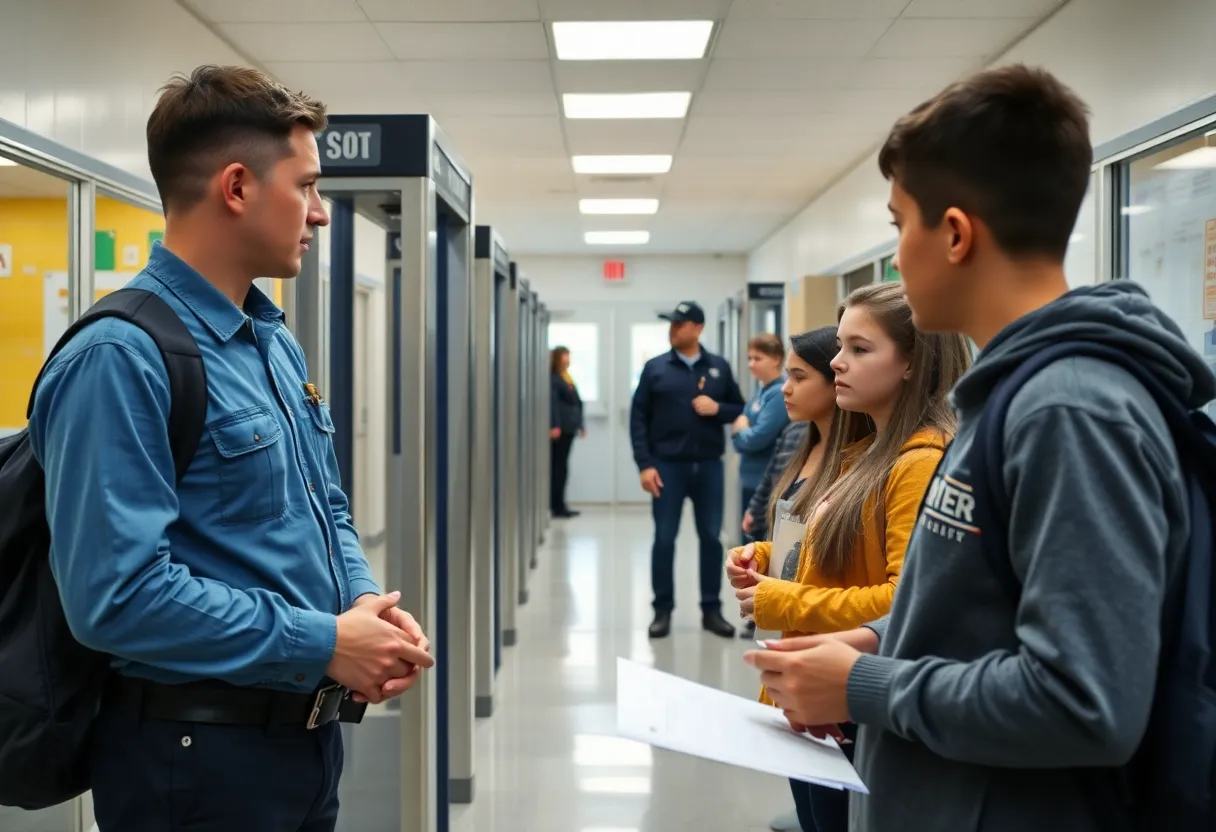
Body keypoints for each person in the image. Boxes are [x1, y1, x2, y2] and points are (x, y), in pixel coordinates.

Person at [745, 65, 1216, 832]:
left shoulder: (1070, 411)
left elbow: (1082, 700)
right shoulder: (1007, 402)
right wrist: (858, 652)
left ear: (956, 234)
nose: (896, 256)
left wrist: (866, 685)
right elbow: (976, 620)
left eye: (900, 226)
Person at [27, 65, 434, 831]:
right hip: (194, 764)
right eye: (307, 187)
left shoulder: (268, 342)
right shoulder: (120, 358)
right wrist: (324, 643)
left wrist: (359, 610)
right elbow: (115, 599)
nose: (319, 215)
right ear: (238, 187)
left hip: (301, 748)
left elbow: (325, 504)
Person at [732, 286, 969, 832]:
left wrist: (781, 597)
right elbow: (833, 543)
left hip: (854, 701)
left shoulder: (918, 461)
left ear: (912, 362)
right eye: (841, 346)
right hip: (821, 695)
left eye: (860, 349)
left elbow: (904, 602)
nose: (837, 361)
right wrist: (767, 557)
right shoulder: (867, 452)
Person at [631, 300, 746, 639]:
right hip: (667, 467)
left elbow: (738, 407)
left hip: (709, 466)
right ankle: (661, 610)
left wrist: (718, 408)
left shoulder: (719, 368)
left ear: (697, 328)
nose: (673, 330)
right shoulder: (655, 369)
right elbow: (638, 419)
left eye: (679, 324)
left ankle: (711, 610)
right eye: (671, 324)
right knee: (664, 538)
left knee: (711, 538)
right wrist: (645, 465)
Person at [732, 333, 790, 545]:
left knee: (759, 546)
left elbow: (757, 438)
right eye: (749, 358)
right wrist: (741, 434)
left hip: (766, 484)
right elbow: (739, 440)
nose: (751, 364)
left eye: (758, 358)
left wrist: (740, 432)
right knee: (747, 544)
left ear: (776, 359)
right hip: (749, 480)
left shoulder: (778, 394)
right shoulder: (760, 393)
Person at [550, 345, 585, 519]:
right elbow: (553, 403)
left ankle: (560, 503)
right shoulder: (554, 378)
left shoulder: (566, 377)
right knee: (558, 468)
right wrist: (554, 425)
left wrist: (581, 424)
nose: (568, 359)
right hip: (561, 428)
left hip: (570, 427)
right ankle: (556, 506)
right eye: (565, 356)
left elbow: (577, 402)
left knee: (562, 467)